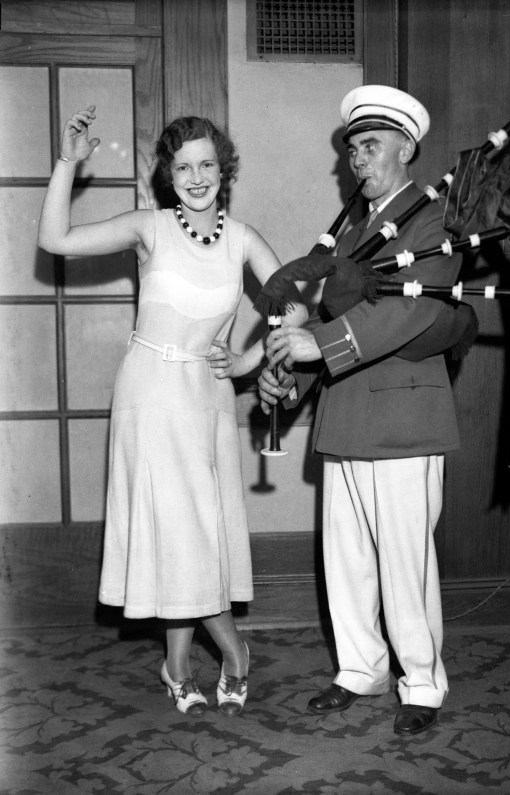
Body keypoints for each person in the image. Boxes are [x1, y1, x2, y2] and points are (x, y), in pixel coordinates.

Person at [38, 106, 307, 718]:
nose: (196, 176)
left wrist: (243, 365)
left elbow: (292, 313)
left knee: (197, 530)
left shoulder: (242, 238)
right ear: (167, 173)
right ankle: (231, 653)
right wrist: (67, 164)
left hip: (205, 396)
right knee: (177, 526)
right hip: (151, 390)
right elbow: (54, 240)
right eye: (183, 165)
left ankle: (178, 663)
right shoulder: (150, 227)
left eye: (207, 163)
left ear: (224, 168)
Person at [258, 85, 462, 736]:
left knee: (404, 560)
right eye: (353, 149)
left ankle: (423, 682)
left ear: (407, 147)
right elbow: (327, 315)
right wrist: (287, 375)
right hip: (346, 416)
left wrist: (314, 342)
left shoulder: (432, 218)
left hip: (403, 419)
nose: (358, 159)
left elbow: (417, 308)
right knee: (345, 556)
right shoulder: (352, 228)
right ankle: (361, 667)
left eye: (371, 145)